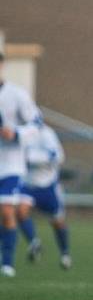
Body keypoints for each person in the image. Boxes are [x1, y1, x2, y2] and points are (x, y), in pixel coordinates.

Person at [0, 48, 43, 278]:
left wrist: (15, 134)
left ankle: (7, 264)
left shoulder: (16, 95)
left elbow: (37, 125)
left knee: (7, 210)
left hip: (10, 165)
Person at [18, 123, 72, 269]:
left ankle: (65, 254)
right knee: (21, 212)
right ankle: (34, 243)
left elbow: (58, 156)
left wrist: (31, 158)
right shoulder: (21, 133)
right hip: (27, 184)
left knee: (57, 221)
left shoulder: (47, 134)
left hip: (47, 185)